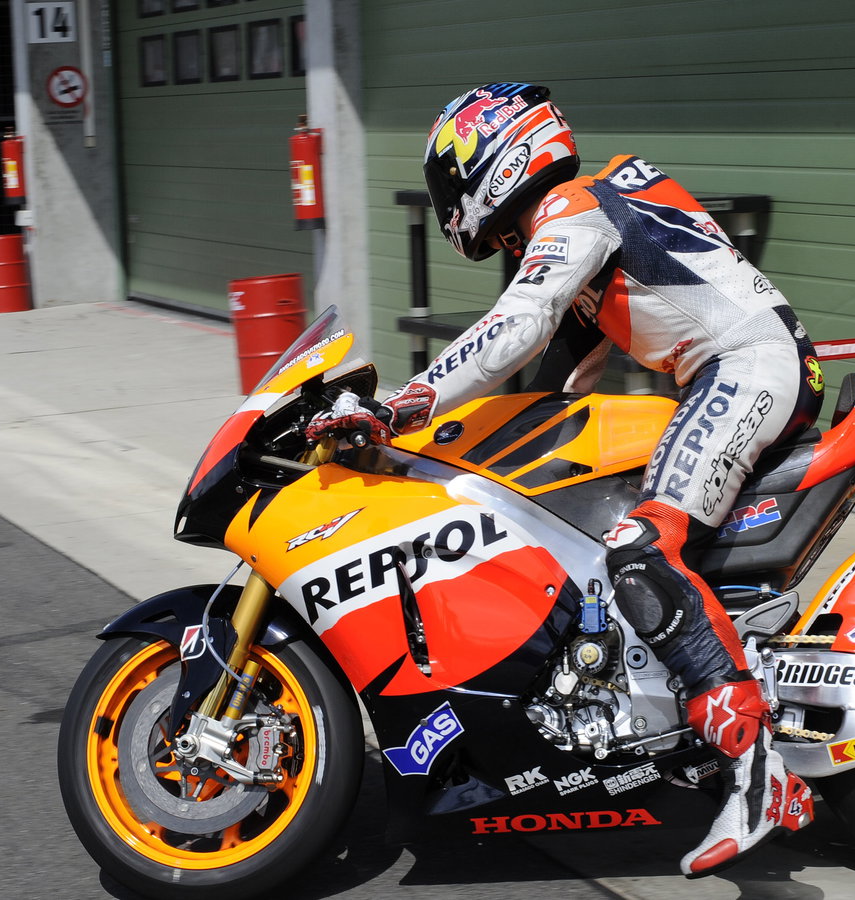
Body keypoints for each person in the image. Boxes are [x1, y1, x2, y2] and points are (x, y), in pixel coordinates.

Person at [310, 83, 824, 876]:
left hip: (746, 367)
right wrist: (430, 447)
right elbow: (552, 388)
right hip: (738, 368)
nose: (449, 204)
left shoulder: (573, 210)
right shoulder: (587, 226)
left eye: (451, 181)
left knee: (640, 548)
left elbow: (518, 324)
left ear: (495, 155)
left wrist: (401, 404)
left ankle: (757, 770)